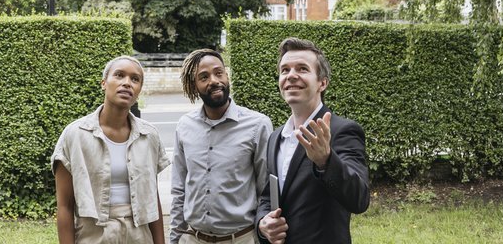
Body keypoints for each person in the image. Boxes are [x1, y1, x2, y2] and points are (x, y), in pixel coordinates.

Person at [256, 38, 370, 244]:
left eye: (302, 69)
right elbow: (268, 196)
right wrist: (262, 224)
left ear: (322, 83)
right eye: (284, 70)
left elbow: (359, 199)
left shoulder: (342, 131)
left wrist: (326, 161)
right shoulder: (276, 137)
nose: (291, 75)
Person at [51, 56, 170, 244]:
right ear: (104, 83)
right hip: (93, 236)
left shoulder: (149, 136)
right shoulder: (75, 135)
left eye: (135, 79)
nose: (127, 83)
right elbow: (65, 206)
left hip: (140, 236)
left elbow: (152, 198)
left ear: (139, 90)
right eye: (119, 75)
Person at [169, 49, 273, 244]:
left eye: (219, 73)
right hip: (193, 239)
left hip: (242, 239)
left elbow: (265, 190)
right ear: (194, 86)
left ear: (226, 76)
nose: (214, 81)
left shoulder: (258, 125)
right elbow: (179, 190)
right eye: (204, 77)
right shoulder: (184, 126)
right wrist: (174, 239)